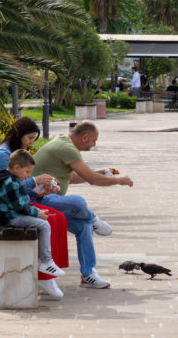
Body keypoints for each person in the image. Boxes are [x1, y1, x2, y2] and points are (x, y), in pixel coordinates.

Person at [33, 121, 134, 289]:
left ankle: (88, 274)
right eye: (94, 140)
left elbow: (71, 178)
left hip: (51, 204)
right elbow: (92, 180)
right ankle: (94, 219)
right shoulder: (67, 148)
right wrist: (118, 180)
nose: (94, 144)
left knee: (83, 226)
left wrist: (99, 172)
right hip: (37, 202)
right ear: (85, 137)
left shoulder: (64, 143)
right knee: (78, 202)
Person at [0, 116, 68, 299]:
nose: (30, 144)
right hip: (2, 209)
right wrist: (35, 181)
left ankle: (49, 272)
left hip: (12, 205)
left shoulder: (15, 153)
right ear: (18, 135)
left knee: (58, 218)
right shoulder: (3, 154)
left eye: (34, 139)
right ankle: (45, 274)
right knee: (50, 220)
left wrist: (40, 190)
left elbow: (19, 190)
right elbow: (12, 188)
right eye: (29, 138)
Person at [0, 149, 65, 280]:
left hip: (9, 215)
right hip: (9, 218)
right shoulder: (10, 183)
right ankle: (46, 261)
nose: (28, 176)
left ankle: (42, 259)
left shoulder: (7, 179)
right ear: (17, 167)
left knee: (43, 221)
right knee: (44, 225)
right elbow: (19, 206)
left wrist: (37, 209)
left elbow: (22, 202)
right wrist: (37, 213)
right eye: (27, 172)